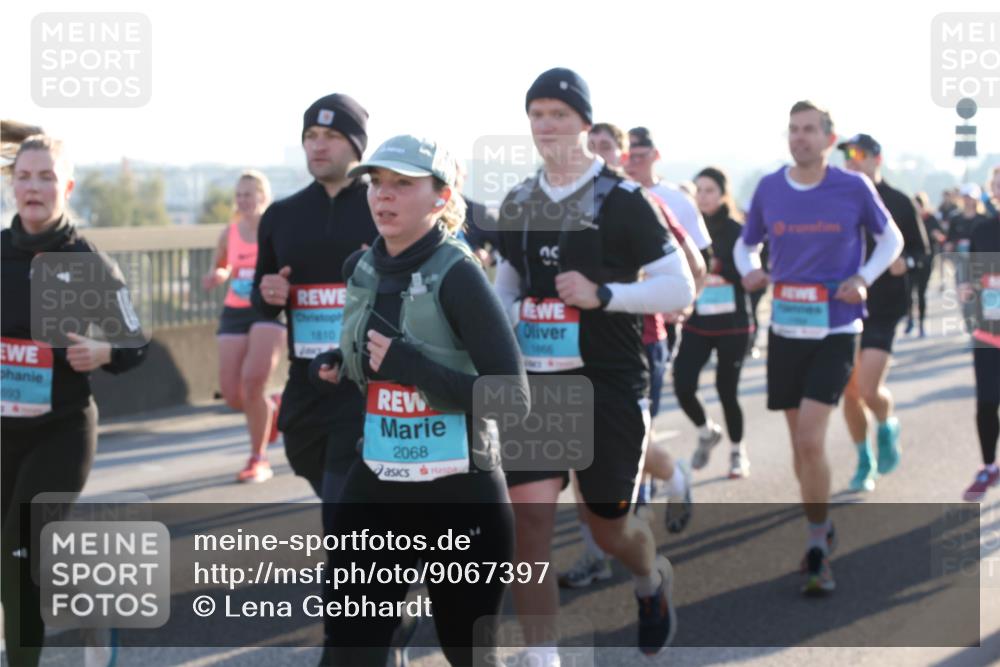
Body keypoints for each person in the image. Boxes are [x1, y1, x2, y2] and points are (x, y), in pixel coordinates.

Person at [495, 68, 695, 660]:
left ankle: (650, 578)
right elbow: (506, 282)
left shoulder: (624, 200)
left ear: (585, 122)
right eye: (537, 114)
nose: (547, 125)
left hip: (608, 383)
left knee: (609, 529)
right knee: (528, 524)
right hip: (537, 385)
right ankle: (543, 656)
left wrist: (605, 296)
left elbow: (679, 287)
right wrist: (501, 318)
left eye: (559, 113)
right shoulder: (520, 200)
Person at [310, 134, 528, 666]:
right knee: (347, 652)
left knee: (469, 655)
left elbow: (512, 400)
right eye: (377, 183)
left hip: (461, 498)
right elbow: (379, 358)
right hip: (378, 489)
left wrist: (416, 369)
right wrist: (344, 363)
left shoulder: (459, 277)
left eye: (402, 185)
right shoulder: (360, 269)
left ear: (441, 197)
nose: (383, 196)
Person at [734, 101, 902, 595]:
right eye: (793, 129)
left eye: (809, 130)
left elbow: (889, 239)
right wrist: (749, 268)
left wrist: (863, 277)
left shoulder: (852, 186)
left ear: (829, 140)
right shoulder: (769, 188)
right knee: (798, 446)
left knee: (810, 438)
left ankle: (815, 546)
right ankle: (820, 520)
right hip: (786, 328)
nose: (799, 137)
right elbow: (747, 243)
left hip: (837, 328)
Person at [2, 133, 147, 666]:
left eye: (46, 177)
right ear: (11, 185)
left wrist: (103, 350)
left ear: (66, 186)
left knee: (17, 554)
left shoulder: (84, 260)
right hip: (3, 432)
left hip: (61, 430)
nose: (33, 187)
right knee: (14, 558)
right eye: (24, 176)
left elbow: (136, 342)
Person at [251, 93, 377, 500]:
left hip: (363, 383)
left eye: (333, 135)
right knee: (311, 467)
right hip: (306, 381)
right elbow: (262, 298)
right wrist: (271, 294)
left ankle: (349, 564)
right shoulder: (282, 215)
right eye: (311, 135)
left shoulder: (382, 207)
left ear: (357, 145)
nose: (319, 145)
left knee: (343, 497)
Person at [837, 134, 929, 492]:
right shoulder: (839, 199)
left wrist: (905, 262)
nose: (851, 160)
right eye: (846, 155)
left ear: (878, 159)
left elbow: (924, 252)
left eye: (859, 154)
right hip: (845, 304)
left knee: (867, 387)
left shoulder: (899, 202)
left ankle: (887, 423)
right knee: (849, 392)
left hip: (884, 306)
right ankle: (864, 459)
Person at [202, 170, 286, 483]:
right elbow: (221, 266)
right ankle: (272, 411)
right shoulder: (230, 233)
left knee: (253, 383)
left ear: (263, 197)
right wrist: (217, 277)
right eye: (239, 195)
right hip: (235, 311)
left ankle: (258, 458)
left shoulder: (275, 229)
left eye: (249, 194)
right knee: (233, 395)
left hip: (266, 311)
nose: (243, 200)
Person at [678, 167, 755, 479]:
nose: (702, 196)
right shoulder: (687, 230)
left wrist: (722, 274)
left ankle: (738, 452)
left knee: (727, 390)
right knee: (683, 383)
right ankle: (706, 430)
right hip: (697, 322)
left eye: (709, 190)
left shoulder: (737, 231)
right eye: (698, 190)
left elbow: (753, 275)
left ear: (723, 194)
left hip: (732, 324)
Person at [624, 126, 711, 361]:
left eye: (640, 156)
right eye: (627, 156)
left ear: (656, 156)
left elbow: (702, 258)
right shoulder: (606, 197)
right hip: (620, 311)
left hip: (664, 315)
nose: (632, 163)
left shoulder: (677, 200)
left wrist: (688, 302)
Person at [958, 167, 1000, 501]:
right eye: (997, 186)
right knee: (987, 401)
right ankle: (989, 466)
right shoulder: (982, 229)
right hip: (989, 330)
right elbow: (969, 274)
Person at [947, 184, 992, 335]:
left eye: (970, 198)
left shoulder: (984, 220)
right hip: (961, 263)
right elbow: (949, 241)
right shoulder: (955, 219)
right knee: (965, 298)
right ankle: (970, 328)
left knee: (981, 298)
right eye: (965, 197)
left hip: (981, 264)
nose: (968, 201)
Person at [911, 192, 946, 336]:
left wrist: (936, 235)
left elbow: (943, 236)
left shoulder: (931, 219)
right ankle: (909, 319)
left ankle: (921, 324)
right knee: (909, 292)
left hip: (927, 259)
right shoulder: (909, 220)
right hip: (911, 260)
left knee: (921, 292)